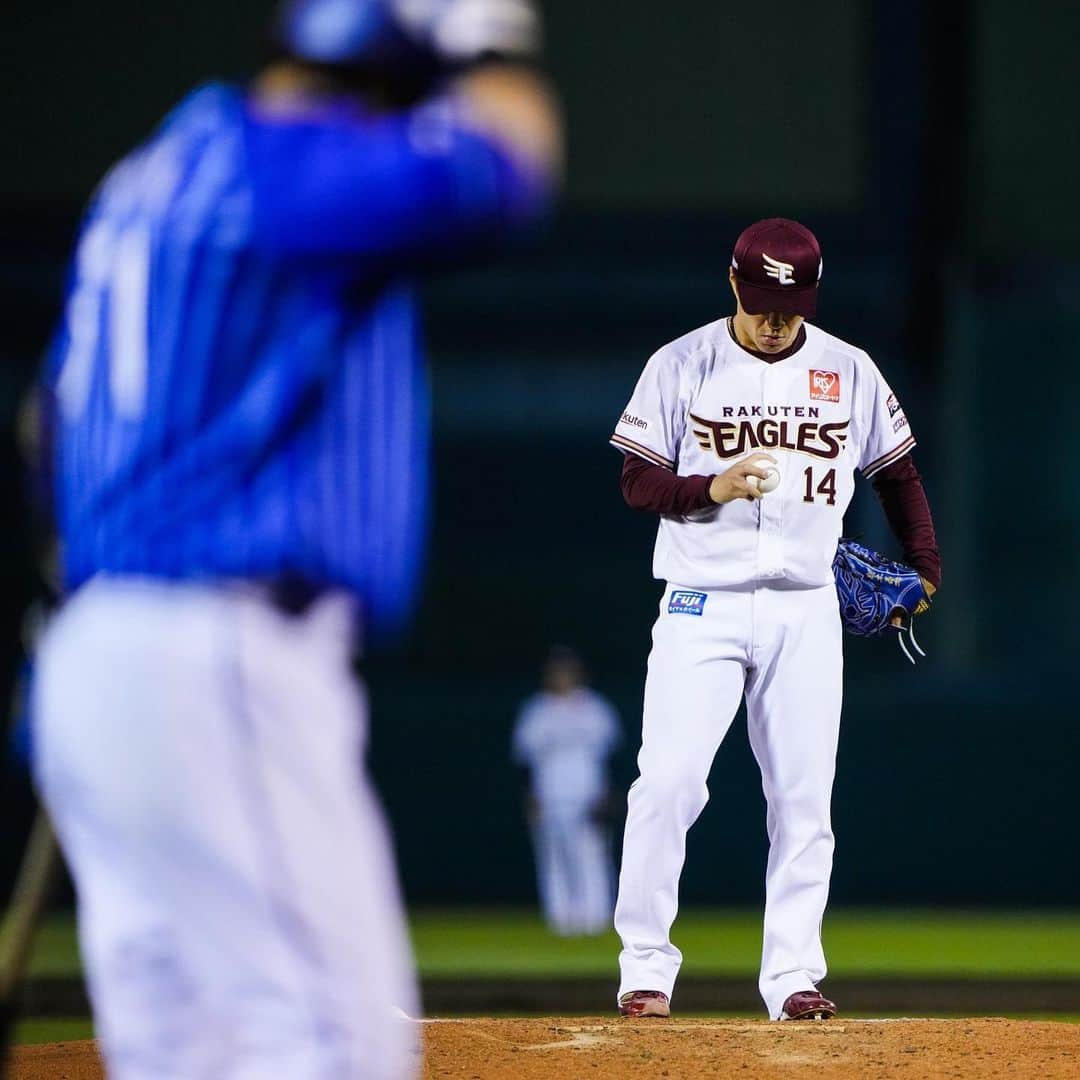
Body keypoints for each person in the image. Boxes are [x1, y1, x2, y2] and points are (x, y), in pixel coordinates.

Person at [31, 1, 561, 1075]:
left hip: (99, 647)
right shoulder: (296, 164)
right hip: (216, 651)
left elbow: (44, 422)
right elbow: (511, 159)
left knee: (192, 1056)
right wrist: (488, 44)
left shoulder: (154, 176)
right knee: (331, 1052)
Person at [608, 218, 941, 1021]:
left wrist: (926, 566)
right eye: (762, 304)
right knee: (669, 784)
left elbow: (897, 476)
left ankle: (792, 978)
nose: (775, 320)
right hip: (700, 603)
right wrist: (710, 489)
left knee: (803, 800)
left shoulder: (848, 369)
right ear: (734, 283)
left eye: (790, 307)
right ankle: (644, 967)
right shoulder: (681, 363)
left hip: (804, 608)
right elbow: (636, 482)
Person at [511, 647, 621, 936]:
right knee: (553, 860)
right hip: (549, 796)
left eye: (567, 670)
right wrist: (530, 796)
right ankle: (561, 921)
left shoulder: (595, 708)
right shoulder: (537, 711)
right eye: (557, 671)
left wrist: (606, 794)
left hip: (587, 794)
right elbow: (526, 763)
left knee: (591, 856)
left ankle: (595, 919)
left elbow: (608, 757)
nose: (562, 676)